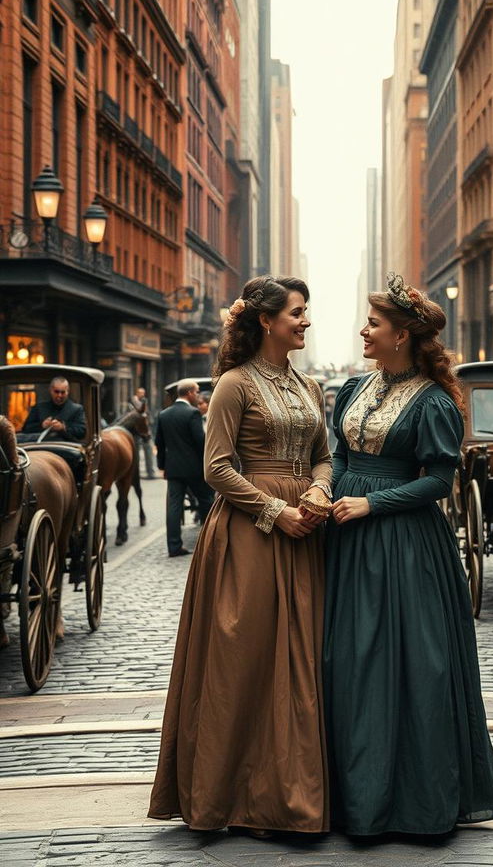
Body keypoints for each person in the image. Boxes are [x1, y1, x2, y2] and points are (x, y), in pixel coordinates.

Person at [148, 275, 332, 835]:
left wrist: (320, 490)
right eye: (297, 313)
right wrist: (277, 512)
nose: (305, 321)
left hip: (309, 531)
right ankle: (230, 796)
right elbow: (217, 468)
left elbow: (324, 455)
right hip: (251, 536)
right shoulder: (234, 384)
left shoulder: (309, 388)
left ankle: (293, 793)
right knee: (243, 661)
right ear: (266, 322)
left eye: (306, 312)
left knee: (302, 662)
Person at [323, 273, 493, 837]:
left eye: (373, 324)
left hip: (404, 544)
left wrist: (370, 504)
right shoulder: (353, 389)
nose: (363, 330)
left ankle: (408, 802)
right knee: (346, 661)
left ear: (402, 335)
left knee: (407, 665)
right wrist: (328, 496)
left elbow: (439, 482)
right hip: (346, 540)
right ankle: (349, 795)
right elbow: (339, 454)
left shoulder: (433, 402)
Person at [155, 379, 214, 557]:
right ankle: (209, 541)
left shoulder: (164, 414)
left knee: (174, 506)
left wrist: (162, 466)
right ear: (189, 393)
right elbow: (200, 442)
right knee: (207, 500)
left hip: (173, 469)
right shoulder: (192, 414)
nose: (197, 395)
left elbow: (160, 442)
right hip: (194, 468)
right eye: (196, 392)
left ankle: (174, 547)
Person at [22, 376, 86, 441]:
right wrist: (42, 425)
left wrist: (63, 427)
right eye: (56, 392)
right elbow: (25, 429)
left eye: (62, 392)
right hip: (41, 447)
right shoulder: (39, 408)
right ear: (50, 390)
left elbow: (82, 432)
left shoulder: (77, 409)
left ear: (68, 392)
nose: (59, 395)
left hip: (67, 447)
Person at [130, 387, 156, 478]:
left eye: (143, 393)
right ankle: (136, 473)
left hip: (145, 430)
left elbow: (146, 414)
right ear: (137, 393)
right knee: (136, 453)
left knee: (148, 450)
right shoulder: (135, 400)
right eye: (140, 393)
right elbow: (139, 408)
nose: (142, 395)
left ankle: (150, 472)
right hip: (136, 431)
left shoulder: (143, 401)